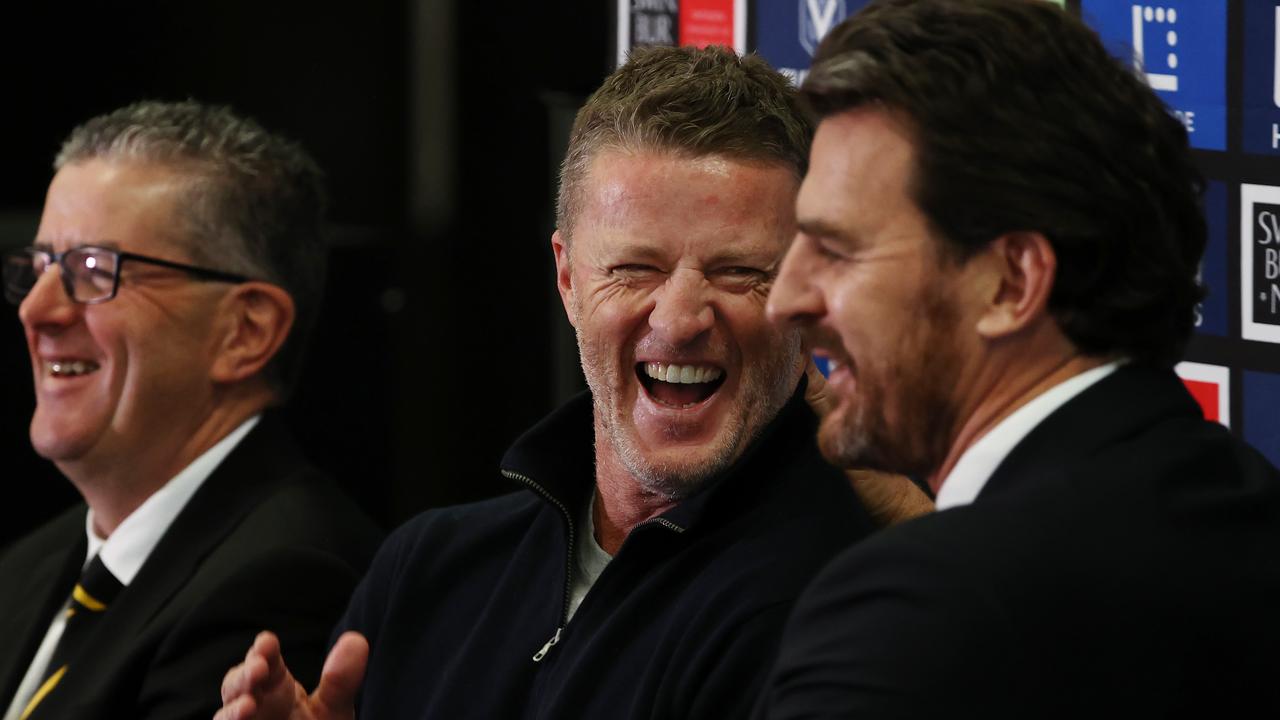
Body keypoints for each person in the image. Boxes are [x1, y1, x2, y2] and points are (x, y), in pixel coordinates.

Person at [216, 45, 881, 720]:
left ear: (809, 289)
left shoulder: (839, 610)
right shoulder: (428, 568)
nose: (680, 320)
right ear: (567, 279)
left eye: (739, 270)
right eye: (635, 267)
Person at [756, 0, 1280, 716]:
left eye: (837, 251)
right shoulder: (1247, 514)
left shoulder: (917, 617)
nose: (783, 299)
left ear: (1012, 283)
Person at [0, 100, 382, 720]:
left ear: (246, 330)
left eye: (93, 269)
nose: (36, 310)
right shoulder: (29, 567)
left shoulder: (284, 579)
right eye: (39, 267)